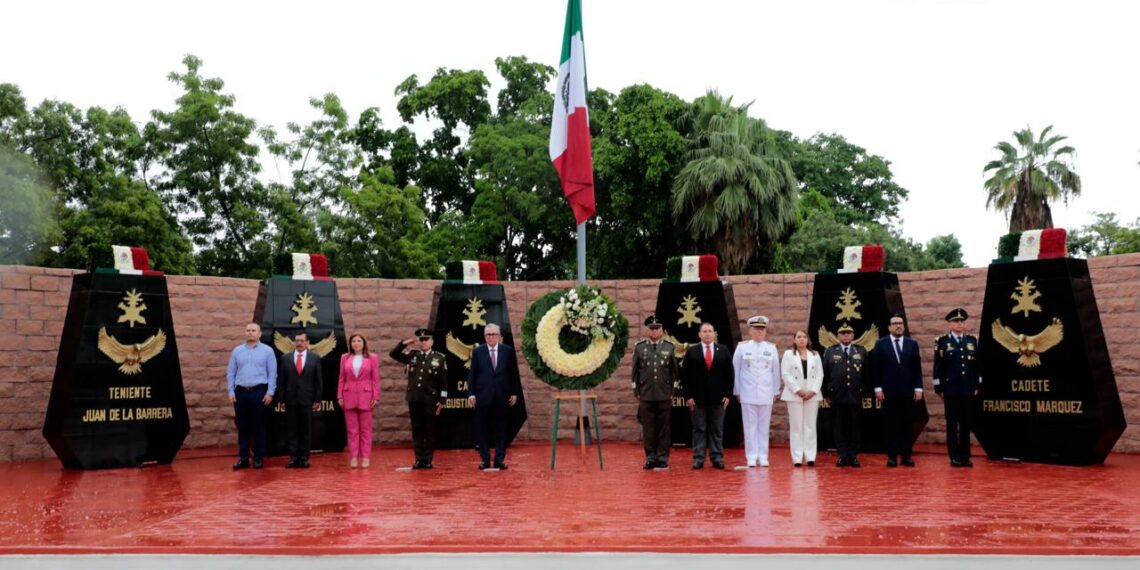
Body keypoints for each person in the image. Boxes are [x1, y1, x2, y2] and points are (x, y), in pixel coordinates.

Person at [389, 328, 447, 469]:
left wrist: (443, 399)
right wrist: (405, 343)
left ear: (432, 341)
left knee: (429, 430)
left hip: (431, 399)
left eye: (426, 339)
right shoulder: (412, 355)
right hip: (415, 398)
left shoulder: (439, 357)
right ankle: (419, 459)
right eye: (421, 340)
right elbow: (393, 354)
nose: (423, 342)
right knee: (417, 430)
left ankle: (428, 460)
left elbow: (443, 381)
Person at [871, 313, 924, 468]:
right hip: (888, 392)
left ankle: (906, 456)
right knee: (891, 424)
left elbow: (917, 368)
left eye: (900, 323)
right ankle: (892, 457)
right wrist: (878, 388)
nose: (898, 325)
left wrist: (918, 388)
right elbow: (876, 368)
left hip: (908, 391)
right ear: (889, 327)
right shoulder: (880, 344)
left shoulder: (912, 344)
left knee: (907, 424)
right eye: (895, 323)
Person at [467, 323, 522, 470]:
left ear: (499, 336)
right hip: (482, 396)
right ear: (484, 336)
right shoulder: (478, 352)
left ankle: (499, 459)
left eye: (494, 334)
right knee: (483, 430)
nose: (491, 337)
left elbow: (513, 373)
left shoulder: (507, 351)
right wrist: (471, 394)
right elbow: (472, 374)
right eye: (488, 335)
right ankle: (485, 460)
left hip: (502, 396)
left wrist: (514, 392)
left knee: (501, 429)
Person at [932, 307, 981, 467]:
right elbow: (937, 367)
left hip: (967, 389)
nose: (959, 324)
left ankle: (965, 456)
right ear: (950, 324)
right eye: (955, 322)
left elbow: (977, 366)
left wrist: (977, 384)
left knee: (966, 424)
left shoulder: (971, 341)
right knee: (952, 424)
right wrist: (939, 388)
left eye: (961, 321)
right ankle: (954, 456)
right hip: (951, 390)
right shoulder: (942, 342)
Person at [681, 322, 734, 470]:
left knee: (717, 429)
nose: (707, 334)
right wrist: (688, 396)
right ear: (699, 334)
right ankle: (698, 458)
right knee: (699, 429)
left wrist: (728, 395)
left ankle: (717, 457)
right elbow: (685, 376)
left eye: (710, 331)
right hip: (698, 399)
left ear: (715, 334)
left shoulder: (723, 350)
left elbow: (730, 374)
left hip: (718, 398)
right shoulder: (692, 351)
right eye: (704, 331)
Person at [227, 323, 277, 470]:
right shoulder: (237, 351)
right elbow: (231, 372)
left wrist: (270, 393)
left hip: (259, 392)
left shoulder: (267, 351)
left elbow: (272, 374)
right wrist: (231, 391)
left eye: (253, 330)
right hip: (240, 393)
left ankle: (258, 458)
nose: (250, 333)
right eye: (247, 330)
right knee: (243, 427)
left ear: (259, 334)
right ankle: (243, 458)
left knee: (259, 426)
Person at [631, 314, 679, 469]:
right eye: (651, 328)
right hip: (646, 394)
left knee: (664, 428)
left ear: (662, 330)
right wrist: (636, 391)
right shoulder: (640, 347)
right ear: (647, 330)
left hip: (664, 393)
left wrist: (673, 391)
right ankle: (651, 457)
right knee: (649, 428)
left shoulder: (669, 347)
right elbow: (635, 372)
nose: (654, 331)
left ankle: (663, 457)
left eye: (657, 328)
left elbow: (674, 372)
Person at [732, 315, 781, 467]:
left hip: (766, 392)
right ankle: (751, 456)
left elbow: (775, 371)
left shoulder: (771, 348)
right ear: (750, 331)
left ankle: (763, 455)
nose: (760, 332)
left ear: (766, 331)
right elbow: (736, 370)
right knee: (749, 426)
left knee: (764, 426)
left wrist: (775, 391)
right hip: (747, 392)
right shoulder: (742, 347)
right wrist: (737, 391)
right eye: (756, 329)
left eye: (762, 329)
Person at [822, 323, 867, 468]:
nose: (846, 335)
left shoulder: (861, 351)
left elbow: (867, 374)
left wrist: (865, 393)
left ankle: (853, 456)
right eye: (843, 333)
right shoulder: (830, 352)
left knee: (855, 426)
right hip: (837, 395)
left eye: (849, 333)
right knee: (839, 426)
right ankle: (842, 455)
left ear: (853, 336)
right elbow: (825, 374)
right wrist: (826, 393)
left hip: (855, 394)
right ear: (838, 336)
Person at [279, 331, 323, 468]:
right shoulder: (285, 358)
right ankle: (293, 457)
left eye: (302, 340)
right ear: (294, 342)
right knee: (292, 429)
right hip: (290, 399)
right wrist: (281, 400)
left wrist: (317, 399)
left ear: (307, 342)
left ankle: (304, 457)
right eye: (297, 340)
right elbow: (281, 381)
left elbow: (318, 381)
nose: (299, 343)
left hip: (307, 399)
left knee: (306, 430)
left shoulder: (315, 358)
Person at [780, 329, 824, 467]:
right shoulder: (788, 354)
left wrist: (813, 391)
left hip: (812, 393)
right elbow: (785, 374)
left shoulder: (815, 355)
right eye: (798, 337)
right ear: (794, 340)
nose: (801, 339)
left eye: (804, 337)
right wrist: (797, 390)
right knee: (796, 426)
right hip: (794, 393)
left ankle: (810, 456)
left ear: (808, 340)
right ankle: (797, 458)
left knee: (810, 426)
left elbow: (819, 375)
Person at [338, 333, 380, 469]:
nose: (356, 343)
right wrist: (339, 396)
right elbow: (341, 378)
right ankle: (354, 457)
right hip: (348, 396)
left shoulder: (372, 357)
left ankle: (366, 457)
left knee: (366, 430)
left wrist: (375, 396)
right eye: (354, 341)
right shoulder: (345, 357)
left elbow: (375, 379)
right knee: (352, 430)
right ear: (350, 344)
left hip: (366, 397)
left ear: (364, 343)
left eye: (359, 341)